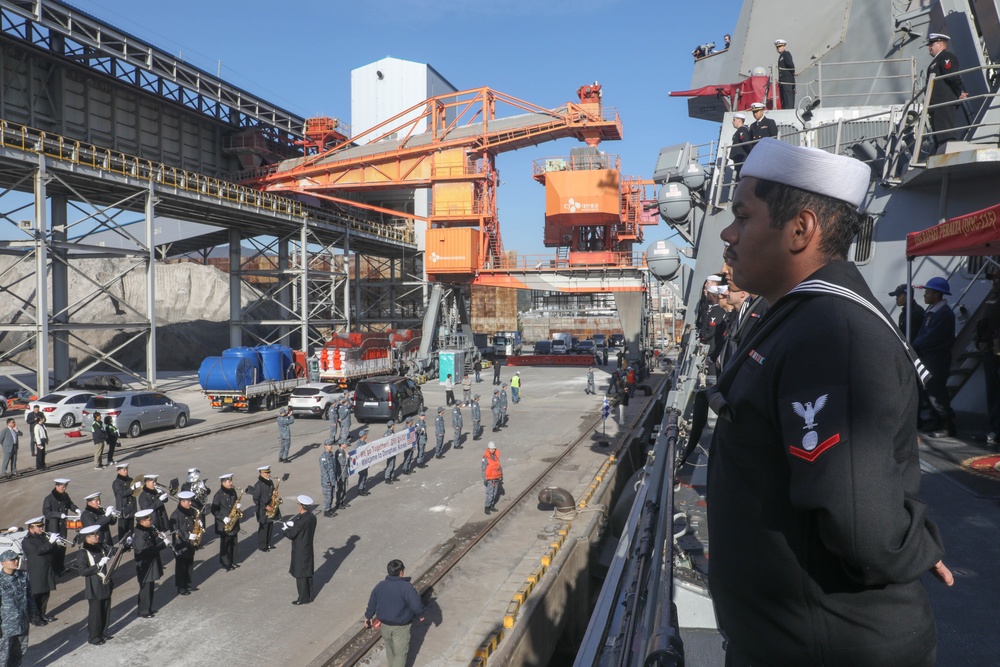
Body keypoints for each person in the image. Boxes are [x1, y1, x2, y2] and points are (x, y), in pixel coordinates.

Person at [709, 138, 952, 665]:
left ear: (800, 230)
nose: (728, 234)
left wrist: (919, 547)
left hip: (828, 648)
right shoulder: (797, 317)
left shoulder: (830, 334)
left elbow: (863, 527)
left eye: (743, 216)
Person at [914, 276, 957, 437]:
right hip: (929, 356)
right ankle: (937, 420)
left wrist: (914, 344)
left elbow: (932, 336)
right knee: (928, 389)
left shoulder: (944, 314)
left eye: (928, 292)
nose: (925, 295)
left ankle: (947, 424)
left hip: (937, 358)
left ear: (937, 295)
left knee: (935, 390)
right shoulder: (932, 312)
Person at [364, 559, 425, 667]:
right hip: (401, 627)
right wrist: (420, 614)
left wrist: (368, 617)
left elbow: (372, 602)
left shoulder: (380, 586)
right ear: (401, 572)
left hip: (385, 626)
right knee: (400, 654)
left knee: (390, 650)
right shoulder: (406, 587)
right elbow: (415, 604)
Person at [926, 33, 968, 147]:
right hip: (937, 102)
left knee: (945, 129)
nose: (929, 47)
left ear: (940, 45)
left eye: (931, 44)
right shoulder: (936, 61)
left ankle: (948, 148)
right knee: (939, 130)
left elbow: (952, 75)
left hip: (944, 100)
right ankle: (941, 149)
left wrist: (959, 92)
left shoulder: (945, 57)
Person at [77, 524, 113, 645]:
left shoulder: (100, 547)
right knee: (96, 613)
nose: (97, 536)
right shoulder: (83, 552)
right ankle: (94, 637)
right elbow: (83, 571)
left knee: (105, 609)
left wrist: (125, 544)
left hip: (105, 583)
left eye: (97, 534)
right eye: (94, 534)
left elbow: (112, 550)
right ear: (87, 538)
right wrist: (98, 566)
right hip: (94, 586)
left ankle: (103, 633)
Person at [977, 271, 1000, 445]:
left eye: (998, 279)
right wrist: (980, 342)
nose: (995, 282)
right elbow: (983, 325)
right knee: (992, 393)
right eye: (994, 279)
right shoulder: (991, 300)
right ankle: (995, 429)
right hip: (991, 353)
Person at [20, 517, 57, 627]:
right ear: (31, 528)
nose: (41, 528)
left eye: (42, 526)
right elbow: (38, 551)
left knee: (45, 593)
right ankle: (35, 617)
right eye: (39, 527)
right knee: (36, 595)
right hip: (36, 571)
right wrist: (50, 543)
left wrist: (55, 543)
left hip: (47, 569)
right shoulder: (27, 541)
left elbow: (51, 550)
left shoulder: (44, 537)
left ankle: (42, 614)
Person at [0, 549, 34, 665]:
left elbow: (29, 597)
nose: (15, 561)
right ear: (3, 563)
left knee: (19, 652)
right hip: (5, 627)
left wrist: (32, 614)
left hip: (22, 623)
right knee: (3, 657)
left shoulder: (23, 576)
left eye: (16, 558)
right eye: (12, 559)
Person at [132, 508, 168, 618]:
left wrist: (158, 537)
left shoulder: (145, 530)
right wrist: (162, 545)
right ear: (142, 521)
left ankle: (148, 608)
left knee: (150, 587)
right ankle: (144, 611)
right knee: (146, 589)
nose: (151, 521)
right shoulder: (139, 535)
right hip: (145, 565)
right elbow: (146, 550)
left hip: (150, 563)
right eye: (148, 519)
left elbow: (152, 541)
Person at [282, 495, 317, 605]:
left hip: (300, 550)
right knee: (307, 573)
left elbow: (292, 535)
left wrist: (286, 529)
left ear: (301, 507)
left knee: (300, 574)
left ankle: (303, 598)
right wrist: (294, 525)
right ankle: (310, 595)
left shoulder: (300, 521)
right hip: (308, 548)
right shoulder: (312, 517)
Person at [42, 477, 78, 575]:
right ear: (56, 486)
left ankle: (60, 566)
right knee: (54, 548)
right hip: (53, 527)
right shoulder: (49, 498)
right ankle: (54, 569)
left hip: (62, 527)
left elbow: (70, 504)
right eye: (62, 486)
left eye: (65, 486)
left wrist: (76, 509)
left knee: (62, 546)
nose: (64, 488)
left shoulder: (65, 496)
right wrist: (58, 514)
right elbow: (46, 512)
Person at [170, 491, 199, 595]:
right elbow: (176, 531)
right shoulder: (175, 515)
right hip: (180, 545)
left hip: (190, 544)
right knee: (181, 566)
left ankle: (188, 583)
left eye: (190, 501)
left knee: (190, 564)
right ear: (182, 501)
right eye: (188, 501)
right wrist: (188, 536)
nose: (190, 503)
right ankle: (181, 587)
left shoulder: (191, 511)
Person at [211, 473, 241, 571]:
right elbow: (213, 510)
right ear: (223, 483)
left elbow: (234, 502)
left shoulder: (232, 491)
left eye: (231, 481)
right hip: (224, 523)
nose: (231, 483)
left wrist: (237, 507)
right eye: (229, 481)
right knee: (226, 544)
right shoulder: (218, 495)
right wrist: (223, 517)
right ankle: (226, 563)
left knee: (234, 543)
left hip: (233, 521)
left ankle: (233, 561)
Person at [251, 465, 281, 552]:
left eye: (269, 472)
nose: (268, 474)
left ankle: (268, 543)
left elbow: (271, 493)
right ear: (261, 473)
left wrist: (275, 494)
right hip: (262, 510)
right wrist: (265, 506)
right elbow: (256, 499)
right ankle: (262, 545)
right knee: (264, 528)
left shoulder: (270, 482)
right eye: (266, 473)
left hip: (271, 506)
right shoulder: (258, 485)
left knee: (270, 525)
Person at [112, 463, 138, 546]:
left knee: (130, 528)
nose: (126, 471)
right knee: (123, 529)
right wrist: (132, 489)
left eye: (126, 469)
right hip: (123, 509)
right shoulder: (116, 483)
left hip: (131, 507)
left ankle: (129, 543)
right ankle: (123, 545)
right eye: (124, 470)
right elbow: (121, 493)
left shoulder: (130, 480)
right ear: (119, 471)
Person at [481, 441, 503, 515]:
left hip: (496, 478)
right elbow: (483, 469)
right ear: (488, 449)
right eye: (491, 449)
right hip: (490, 479)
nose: (492, 450)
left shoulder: (496, 457)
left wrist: (501, 475)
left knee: (494, 493)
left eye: (493, 449)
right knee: (490, 494)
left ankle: (492, 506)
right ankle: (487, 507)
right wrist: (485, 478)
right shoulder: (485, 458)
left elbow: (499, 467)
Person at [774, 39, 796, 110]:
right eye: (777, 47)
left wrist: (792, 81)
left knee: (788, 97)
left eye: (780, 46)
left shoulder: (786, 54)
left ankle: (788, 110)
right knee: (784, 98)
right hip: (783, 81)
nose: (778, 48)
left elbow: (791, 65)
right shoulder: (781, 56)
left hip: (787, 80)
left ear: (784, 46)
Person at [730, 113, 752, 178]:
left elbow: (745, 142)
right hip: (738, 158)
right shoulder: (740, 130)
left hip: (741, 157)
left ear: (739, 120)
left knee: (740, 175)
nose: (732, 122)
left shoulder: (742, 130)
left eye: (734, 120)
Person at [320, 440, 337, 517]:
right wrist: (327, 481)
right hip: (327, 481)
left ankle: (329, 509)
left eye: (331, 445)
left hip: (332, 479)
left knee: (332, 495)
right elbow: (324, 470)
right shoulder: (323, 457)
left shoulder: (331, 455)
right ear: (325, 446)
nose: (331, 446)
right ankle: (326, 511)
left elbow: (334, 468)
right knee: (328, 496)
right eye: (329, 445)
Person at [355, 429, 372, 496]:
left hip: (365, 463)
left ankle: (363, 488)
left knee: (365, 476)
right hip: (361, 464)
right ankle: (360, 489)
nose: (366, 435)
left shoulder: (363, 442)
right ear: (363, 435)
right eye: (365, 434)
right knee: (362, 476)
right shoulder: (359, 444)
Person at [335, 440, 352, 508]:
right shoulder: (339, 453)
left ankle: (343, 501)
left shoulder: (342, 452)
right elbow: (342, 462)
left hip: (344, 473)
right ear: (341, 444)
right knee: (340, 489)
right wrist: (347, 458)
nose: (346, 445)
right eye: (345, 444)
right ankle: (339, 503)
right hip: (341, 474)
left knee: (345, 488)